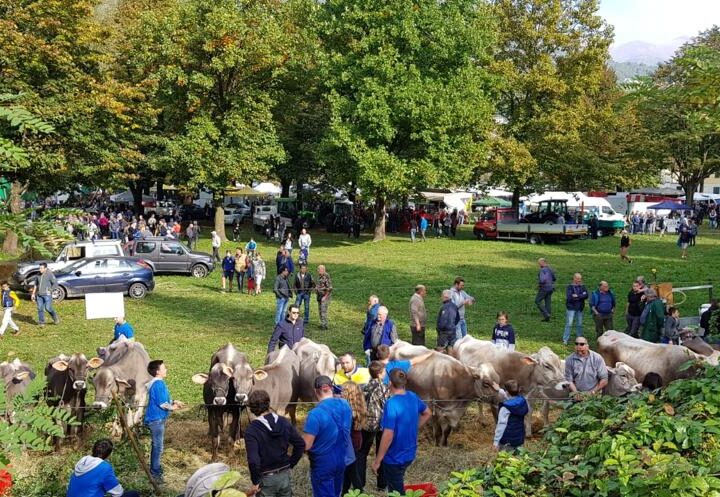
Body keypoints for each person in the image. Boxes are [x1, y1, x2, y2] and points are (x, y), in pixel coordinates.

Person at [370, 369, 432, 495]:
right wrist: (414, 427)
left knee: (397, 491)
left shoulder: (391, 404)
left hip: (394, 457)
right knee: (397, 482)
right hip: (409, 452)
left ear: (390, 383)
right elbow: (427, 413)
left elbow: (388, 434)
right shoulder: (412, 396)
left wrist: (377, 461)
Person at [244, 389, 305, 497]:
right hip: (284, 476)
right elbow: (300, 444)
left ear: (252, 408)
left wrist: (255, 482)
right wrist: (291, 463)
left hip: (266, 479)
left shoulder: (252, 430)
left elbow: (253, 460)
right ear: (268, 403)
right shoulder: (284, 422)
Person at [302, 376, 353, 497]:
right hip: (342, 457)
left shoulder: (315, 414)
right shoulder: (345, 404)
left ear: (315, 391)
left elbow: (307, 445)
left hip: (323, 463)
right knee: (336, 492)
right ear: (331, 388)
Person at [145, 359, 183, 483]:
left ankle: (156, 469)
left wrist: (174, 401)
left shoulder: (157, 383)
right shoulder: (158, 384)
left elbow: (163, 399)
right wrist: (173, 407)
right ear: (157, 372)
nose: (166, 370)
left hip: (157, 419)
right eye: (164, 368)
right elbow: (162, 404)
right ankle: (155, 473)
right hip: (156, 419)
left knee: (158, 446)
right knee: (158, 447)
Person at [66, 438, 140, 497]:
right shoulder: (104, 467)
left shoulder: (82, 462)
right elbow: (118, 493)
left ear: (93, 449)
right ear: (108, 454)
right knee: (134, 494)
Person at [358, 362, 388, 491]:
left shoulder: (364, 386)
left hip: (366, 424)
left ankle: (360, 484)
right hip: (381, 424)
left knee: (362, 453)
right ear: (380, 373)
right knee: (381, 452)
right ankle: (382, 484)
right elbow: (386, 404)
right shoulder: (383, 388)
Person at [341, 381, 367, 494]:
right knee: (349, 469)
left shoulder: (347, 411)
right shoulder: (358, 408)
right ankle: (345, 491)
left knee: (351, 470)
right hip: (357, 438)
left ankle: (360, 492)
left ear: (347, 394)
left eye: (342, 391)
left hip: (350, 441)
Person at [490, 380, 529, 452]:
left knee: (505, 460)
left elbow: (501, 425)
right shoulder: (522, 401)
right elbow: (512, 399)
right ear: (519, 390)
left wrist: (495, 442)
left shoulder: (505, 408)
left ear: (507, 392)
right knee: (518, 460)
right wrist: (500, 390)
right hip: (519, 439)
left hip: (507, 441)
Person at [31, 262, 59, 327]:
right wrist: (33, 294)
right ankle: (41, 322)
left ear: (45, 268)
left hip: (47, 295)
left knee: (48, 308)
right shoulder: (38, 275)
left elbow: (55, 284)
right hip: (39, 295)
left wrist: (50, 290)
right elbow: (35, 284)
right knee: (40, 308)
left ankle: (55, 318)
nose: (40, 269)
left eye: (41, 268)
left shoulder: (50, 274)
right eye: (39, 268)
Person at [563, 273, 589, 345]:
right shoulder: (570, 287)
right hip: (571, 308)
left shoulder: (582, 286)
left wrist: (577, 296)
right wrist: (581, 296)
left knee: (579, 324)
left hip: (580, 308)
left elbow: (586, 295)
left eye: (580, 279)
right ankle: (565, 339)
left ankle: (579, 339)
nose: (579, 280)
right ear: (574, 278)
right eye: (578, 278)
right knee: (569, 324)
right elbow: (570, 297)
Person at [316, 265, 333, 330]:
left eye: (319, 269)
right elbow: (320, 285)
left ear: (323, 269)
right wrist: (317, 288)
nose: (317, 271)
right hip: (320, 296)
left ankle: (325, 325)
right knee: (320, 310)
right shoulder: (320, 276)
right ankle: (322, 323)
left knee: (323, 311)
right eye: (318, 269)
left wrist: (325, 296)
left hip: (325, 297)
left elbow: (330, 288)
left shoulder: (326, 276)